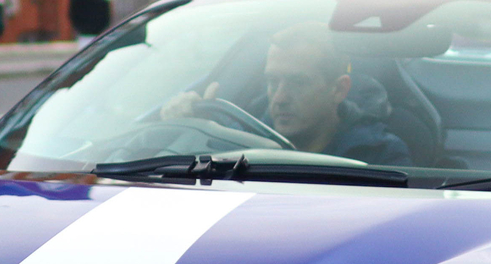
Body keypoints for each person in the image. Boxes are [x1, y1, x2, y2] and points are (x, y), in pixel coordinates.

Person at [163, 23, 414, 165]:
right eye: (272, 82)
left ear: (339, 90)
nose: (280, 98)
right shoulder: (235, 139)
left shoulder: (381, 156)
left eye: (298, 83)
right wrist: (187, 129)